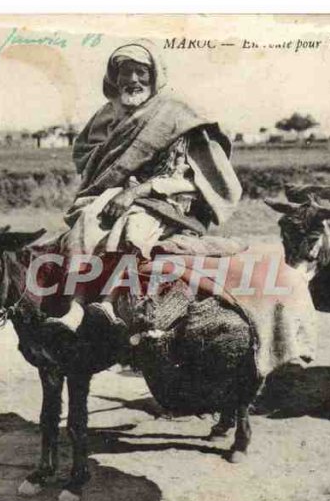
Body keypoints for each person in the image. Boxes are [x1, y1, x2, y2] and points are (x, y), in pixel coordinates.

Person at [45, 40, 242, 332]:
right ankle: (75, 307)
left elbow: (194, 178)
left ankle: (110, 302)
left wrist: (138, 191)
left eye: (141, 72)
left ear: (155, 74)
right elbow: (89, 156)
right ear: (115, 76)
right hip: (114, 197)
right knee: (85, 223)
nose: (133, 80)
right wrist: (119, 188)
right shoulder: (107, 115)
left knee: (133, 226)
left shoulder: (178, 114)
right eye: (126, 72)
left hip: (167, 203)